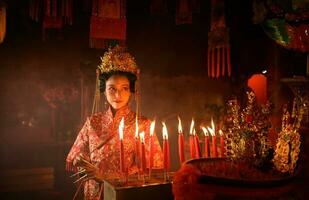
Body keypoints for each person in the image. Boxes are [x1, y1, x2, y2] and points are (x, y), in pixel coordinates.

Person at [66, 45, 163, 200]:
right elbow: (76, 154)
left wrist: (106, 175)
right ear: (103, 90)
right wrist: (81, 160)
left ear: (131, 91)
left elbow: (153, 169)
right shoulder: (92, 122)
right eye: (112, 89)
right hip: (93, 192)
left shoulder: (143, 125)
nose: (118, 95)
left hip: (124, 192)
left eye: (124, 88)